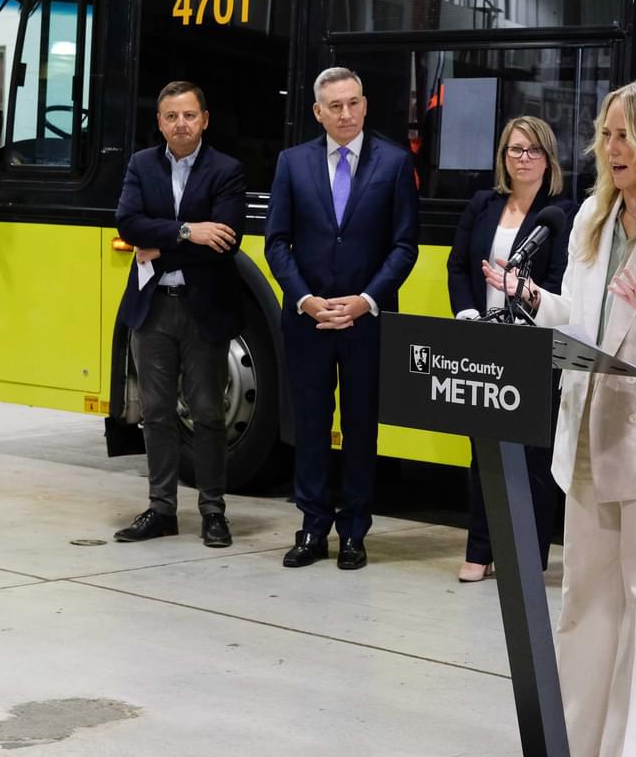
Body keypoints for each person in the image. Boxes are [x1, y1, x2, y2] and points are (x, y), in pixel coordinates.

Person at [484, 79, 636, 757]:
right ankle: (579, 742)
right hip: (587, 432)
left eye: (623, 135)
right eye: (606, 135)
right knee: (587, 603)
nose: (610, 148)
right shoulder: (593, 216)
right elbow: (577, 319)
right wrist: (532, 299)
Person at [265, 67, 419, 571]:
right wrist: (306, 300)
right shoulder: (291, 163)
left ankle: (354, 531)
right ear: (318, 112)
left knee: (360, 429)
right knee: (310, 426)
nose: (346, 113)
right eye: (335, 106)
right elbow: (277, 243)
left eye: (353, 103)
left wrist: (365, 300)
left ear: (365, 104)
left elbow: (403, 246)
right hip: (308, 320)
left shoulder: (395, 163)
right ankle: (311, 528)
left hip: (365, 322)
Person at [113, 81, 247, 547]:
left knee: (209, 414)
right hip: (151, 311)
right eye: (171, 116)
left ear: (204, 120)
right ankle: (161, 509)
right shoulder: (140, 165)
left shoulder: (227, 171)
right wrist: (190, 230)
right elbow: (127, 223)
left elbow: (227, 241)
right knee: (155, 413)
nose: (181, 124)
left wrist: (158, 245)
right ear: (160, 122)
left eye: (189, 115)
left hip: (202, 310)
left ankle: (213, 511)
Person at [446, 115, 571, 583]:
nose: (524, 158)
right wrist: (468, 316)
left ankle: (526, 558)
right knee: (484, 453)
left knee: (533, 458)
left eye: (533, 150)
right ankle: (479, 549)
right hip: (484, 342)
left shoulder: (563, 214)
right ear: (503, 156)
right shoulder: (482, 204)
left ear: (548, 158)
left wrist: (524, 298)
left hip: (533, 347)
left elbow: (561, 283)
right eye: (515, 149)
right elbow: (458, 267)